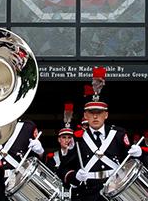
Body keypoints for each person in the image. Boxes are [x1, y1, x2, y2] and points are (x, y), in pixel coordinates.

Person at [59, 67, 137, 201]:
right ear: (85, 115)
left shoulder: (118, 134)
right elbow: (63, 169)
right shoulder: (77, 139)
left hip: (113, 193)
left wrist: (140, 154)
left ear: (106, 114)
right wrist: (74, 176)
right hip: (87, 193)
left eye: (99, 112)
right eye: (91, 113)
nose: (95, 116)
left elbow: (132, 163)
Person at [46, 103, 75, 172]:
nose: (67, 140)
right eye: (64, 137)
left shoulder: (78, 156)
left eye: (69, 137)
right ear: (59, 139)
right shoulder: (52, 157)